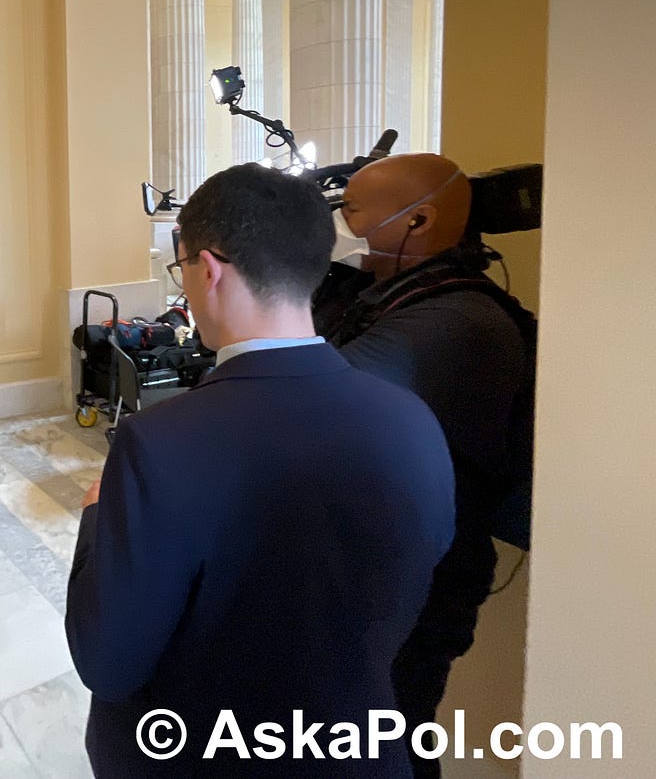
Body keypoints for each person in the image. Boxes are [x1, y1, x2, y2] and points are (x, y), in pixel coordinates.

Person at [65, 164, 455, 777]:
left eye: (183, 270)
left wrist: (96, 517)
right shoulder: (414, 421)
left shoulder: (158, 443)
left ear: (208, 268)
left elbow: (108, 663)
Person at [315, 153, 534, 778]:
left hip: (425, 580)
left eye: (349, 209)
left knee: (392, 741)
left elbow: (310, 395)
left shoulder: (460, 319)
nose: (340, 222)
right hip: (377, 559)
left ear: (419, 220)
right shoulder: (386, 294)